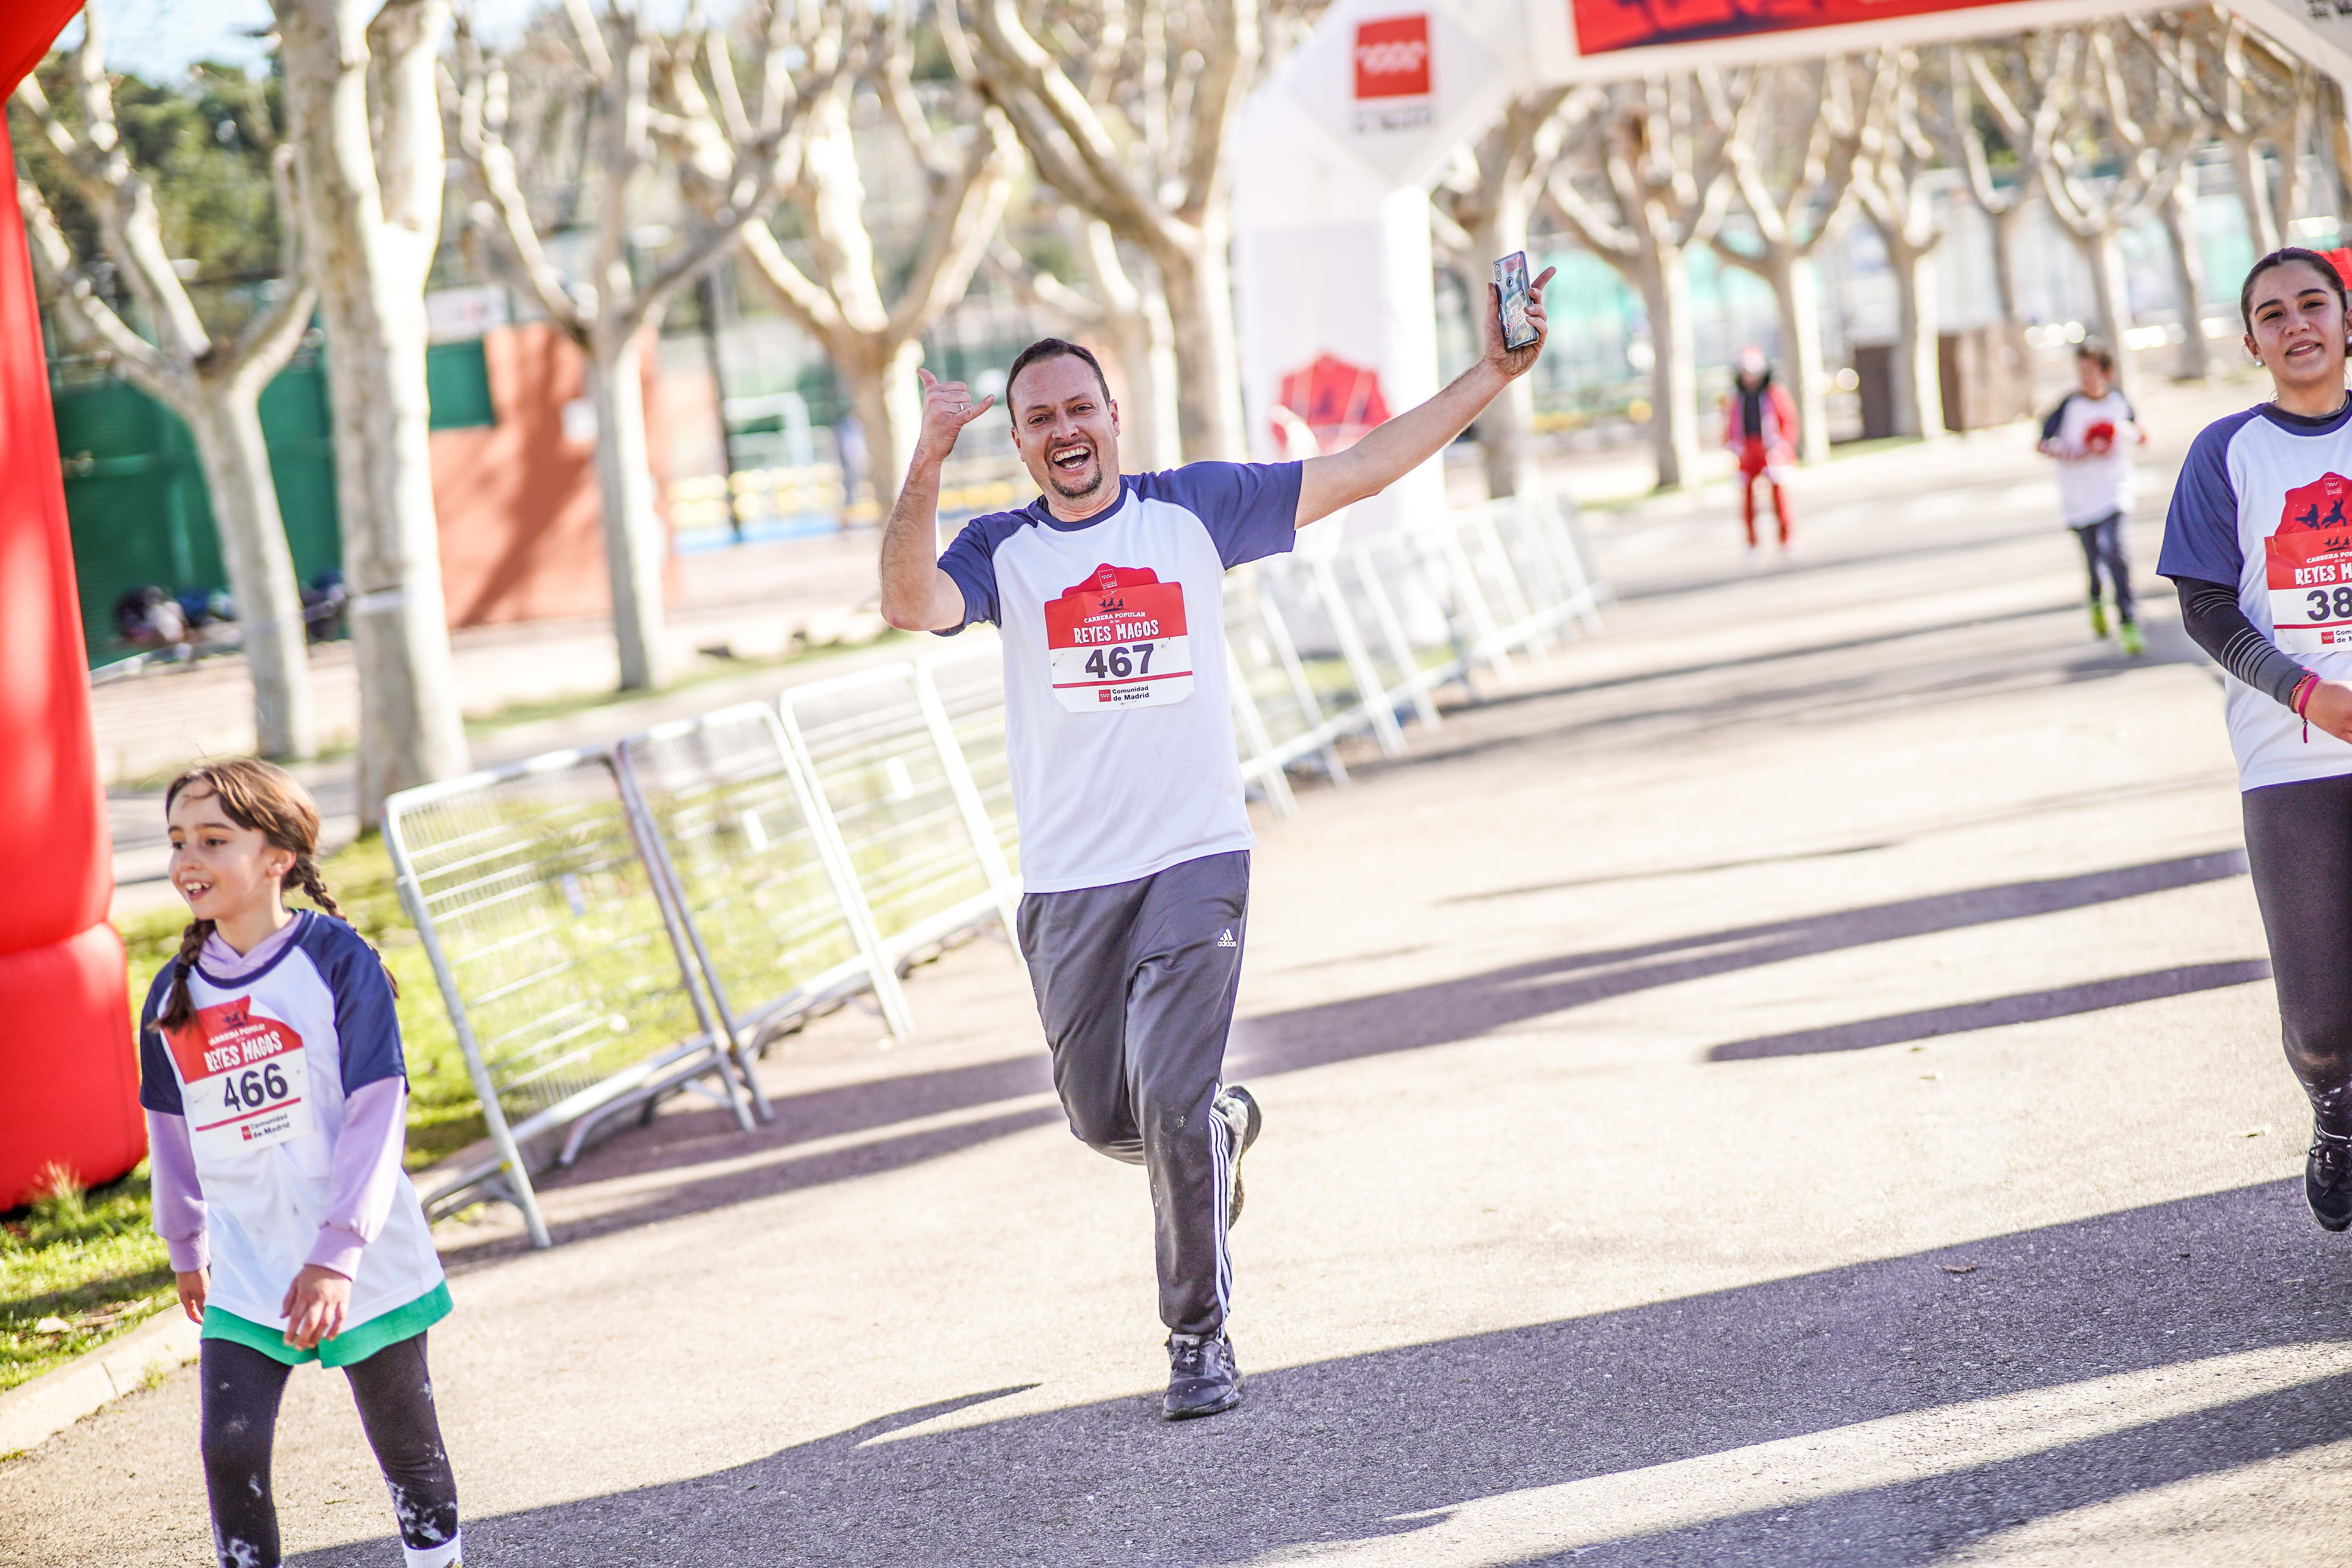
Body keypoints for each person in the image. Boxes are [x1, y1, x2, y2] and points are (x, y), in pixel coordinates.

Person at [878, 273, 1554, 1419]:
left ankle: (1196, 1337)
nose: (1062, 431)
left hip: (1193, 860)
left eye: (1078, 408)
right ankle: (1224, 1129)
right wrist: (929, 460)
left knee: (1172, 1096)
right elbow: (906, 603)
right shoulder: (1003, 548)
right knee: (1106, 1120)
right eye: (1036, 418)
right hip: (1068, 882)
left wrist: (1490, 372)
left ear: (1113, 416)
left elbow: (1355, 470)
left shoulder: (1191, 510)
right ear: (1024, 442)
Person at [141, 760, 463, 1568]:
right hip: (247, 1265)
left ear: (279, 854)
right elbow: (169, 1130)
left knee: (406, 1447)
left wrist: (338, 1249)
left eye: (216, 839)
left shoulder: (336, 959)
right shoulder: (172, 991)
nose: (190, 859)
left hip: (364, 1256)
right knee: (231, 1447)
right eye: (179, 840)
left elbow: (377, 1106)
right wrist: (187, 1243)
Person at [2160, 246, 2352, 1235]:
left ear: (2346, 321)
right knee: (2322, 1025)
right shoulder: (2227, 453)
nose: (2296, 324)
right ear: (2251, 343)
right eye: (2272, 314)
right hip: (2292, 758)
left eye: (2312, 303)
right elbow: (2202, 606)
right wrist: (2304, 692)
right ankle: (2336, 1114)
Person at [2038, 340, 2150, 656]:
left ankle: (2129, 622)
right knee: (2093, 559)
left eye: (2090, 371)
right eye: (2080, 371)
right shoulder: (2069, 405)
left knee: (2114, 551)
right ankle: (2097, 600)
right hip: (2079, 494)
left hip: (2114, 488)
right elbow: (2043, 443)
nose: (2085, 377)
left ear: (2106, 372)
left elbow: (2139, 432)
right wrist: (2079, 450)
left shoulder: (2118, 401)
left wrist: (2124, 435)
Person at [1722, 345, 1797, 561]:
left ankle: (1786, 539)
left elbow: (1787, 422)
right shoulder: (1737, 398)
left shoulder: (1774, 394)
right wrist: (1733, 448)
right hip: (1747, 450)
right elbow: (1730, 425)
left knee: (1779, 495)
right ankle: (1752, 543)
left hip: (1770, 449)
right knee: (1746, 498)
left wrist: (1781, 447)